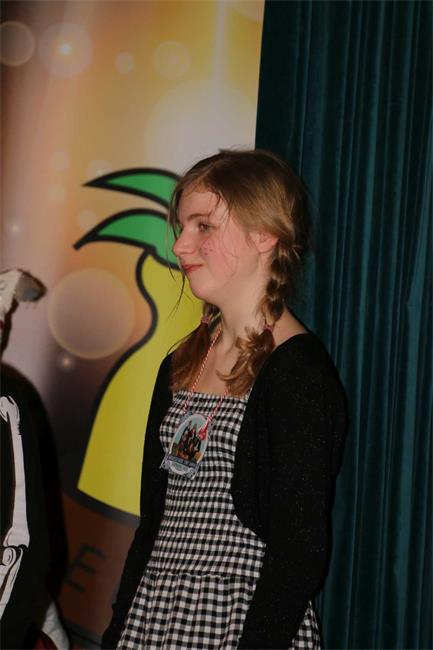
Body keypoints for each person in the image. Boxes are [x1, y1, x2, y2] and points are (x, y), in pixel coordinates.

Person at [102, 149, 347, 649]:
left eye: (203, 226)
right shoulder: (180, 364)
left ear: (264, 234)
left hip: (240, 622)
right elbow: (153, 525)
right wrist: (118, 631)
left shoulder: (297, 372)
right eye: (181, 227)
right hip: (156, 617)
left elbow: (298, 552)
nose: (180, 245)